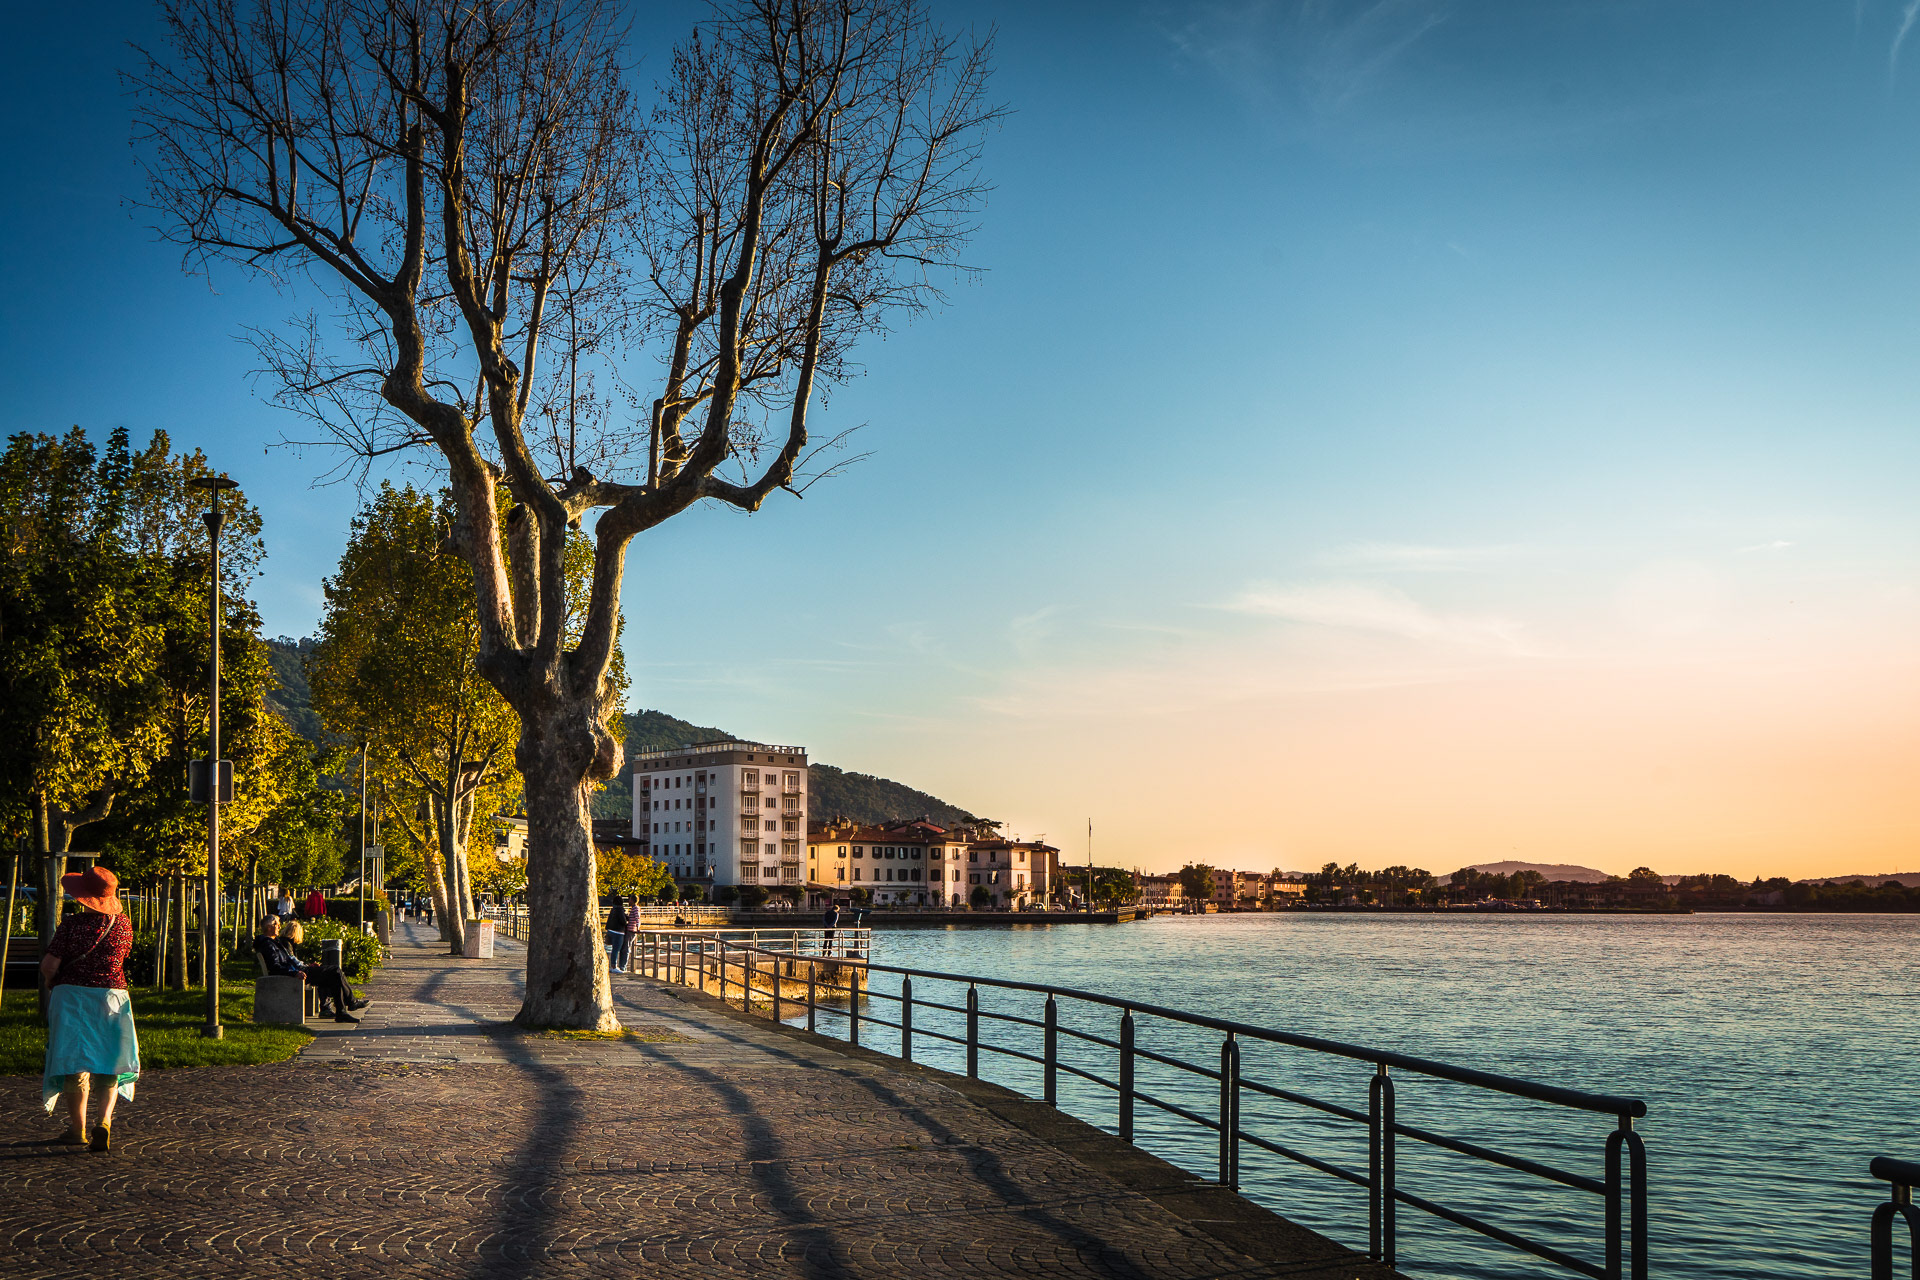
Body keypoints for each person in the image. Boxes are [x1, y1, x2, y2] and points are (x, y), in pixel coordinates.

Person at [40, 866, 139, 1153]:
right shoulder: (123, 925)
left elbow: (49, 965)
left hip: (72, 996)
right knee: (109, 1061)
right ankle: (104, 1122)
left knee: (75, 1062)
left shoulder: (71, 926)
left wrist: (50, 982)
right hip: (112, 996)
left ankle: (77, 1129)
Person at [253, 917, 368, 1022]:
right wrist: (295, 973)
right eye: (277, 924)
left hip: (299, 970)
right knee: (335, 971)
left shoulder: (274, 942)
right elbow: (275, 967)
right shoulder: (268, 944)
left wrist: (306, 966)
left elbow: (288, 961)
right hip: (295, 974)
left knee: (333, 976)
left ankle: (342, 1012)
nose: (279, 926)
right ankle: (350, 1004)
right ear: (269, 927)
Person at [604, 899, 630, 974]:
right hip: (618, 932)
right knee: (616, 949)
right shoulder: (620, 910)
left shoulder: (613, 910)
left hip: (610, 931)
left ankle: (612, 965)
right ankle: (614, 966)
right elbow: (623, 921)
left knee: (612, 949)